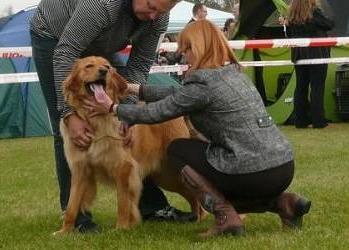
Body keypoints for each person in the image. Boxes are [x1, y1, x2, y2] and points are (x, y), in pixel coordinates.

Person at [88, 19, 311, 239]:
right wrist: (133, 89)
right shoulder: (235, 74)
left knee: (178, 149)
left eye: (185, 49)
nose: (183, 55)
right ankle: (284, 203)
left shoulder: (201, 83)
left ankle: (226, 218)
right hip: (283, 167)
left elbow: (155, 113)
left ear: (197, 47)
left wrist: (113, 108)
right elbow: (178, 95)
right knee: (228, 177)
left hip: (251, 171)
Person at [29, 0, 195, 233]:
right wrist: (68, 115)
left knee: (126, 126)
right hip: (55, 36)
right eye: (151, 6)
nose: (153, 16)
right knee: (70, 132)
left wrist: (126, 114)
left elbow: (139, 66)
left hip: (102, 44)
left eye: (161, 12)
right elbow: (66, 51)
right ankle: (77, 220)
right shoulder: (102, 2)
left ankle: (151, 208)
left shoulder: (157, 18)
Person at [286, 0, 334, 128]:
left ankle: (300, 121)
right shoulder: (315, 13)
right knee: (317, 87)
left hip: (299, 55)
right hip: (317, 54)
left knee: (301, 87)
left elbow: (290, 34)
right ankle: (319, 121)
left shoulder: (292, 15)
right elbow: (329, 25)